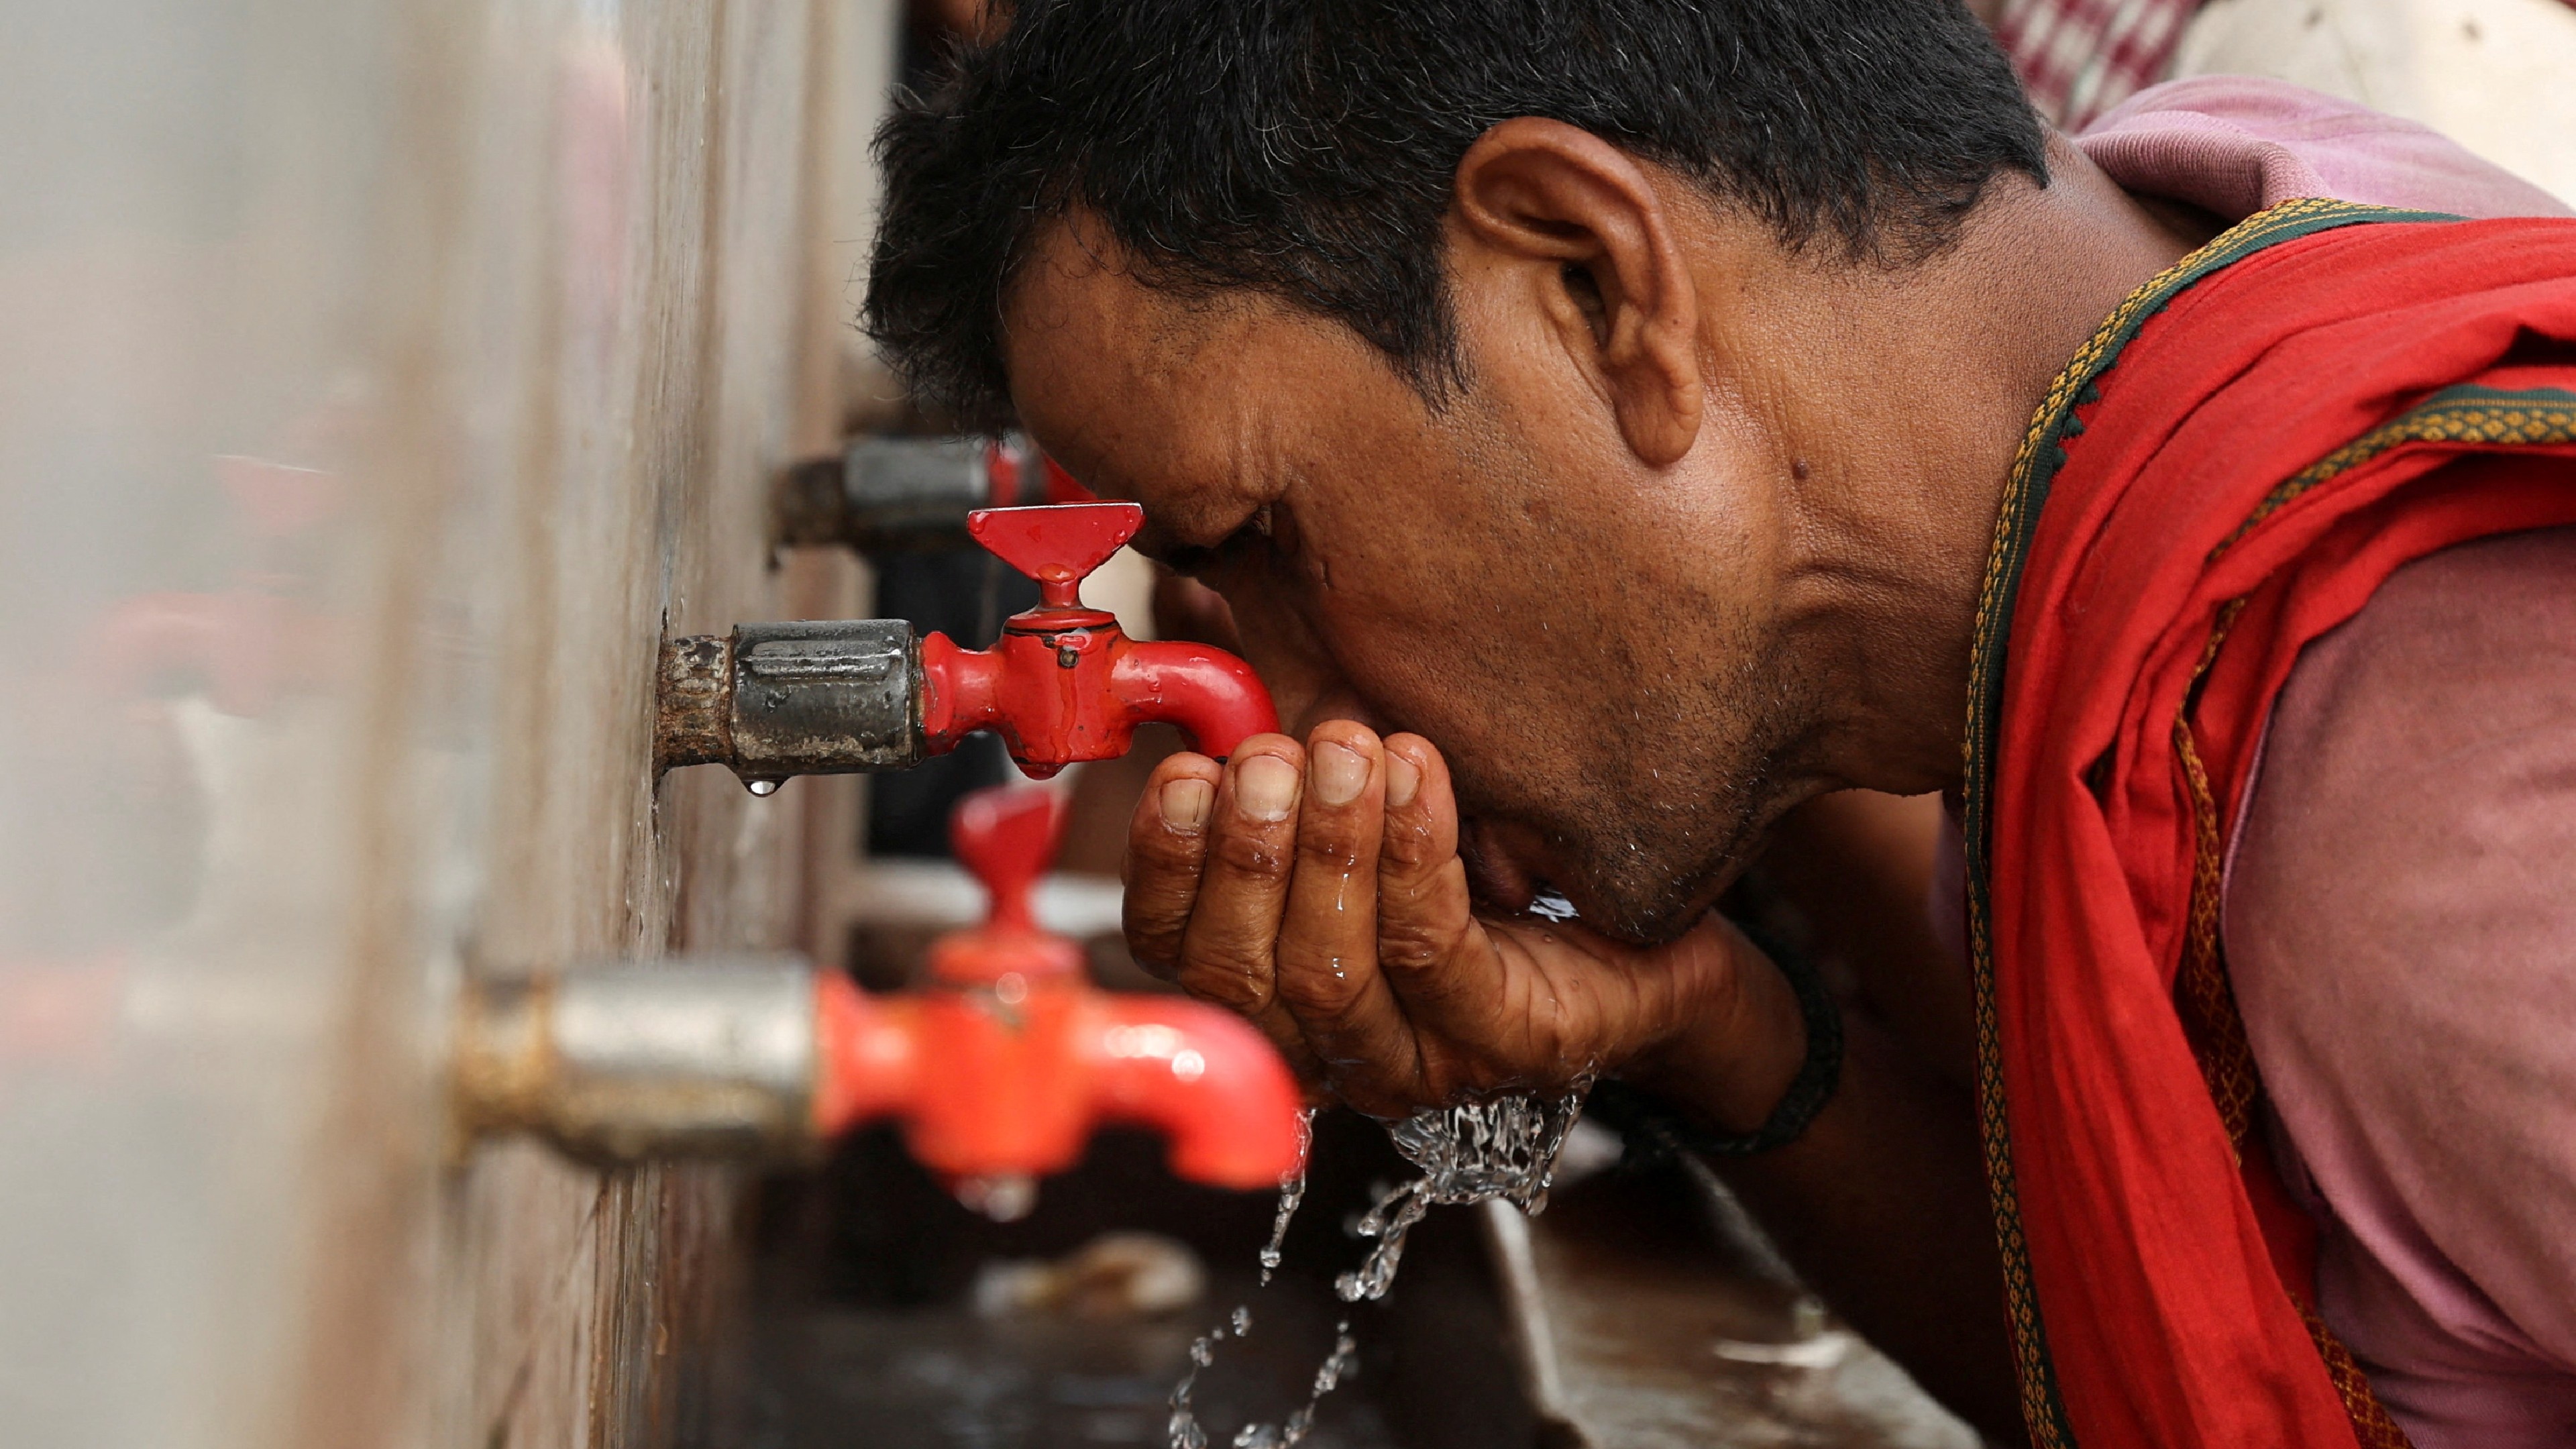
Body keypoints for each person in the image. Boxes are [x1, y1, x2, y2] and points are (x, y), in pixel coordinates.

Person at [860, 3, 2576, 1445]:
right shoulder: (2181, 302)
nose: (1293, 711)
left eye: (1268, 545)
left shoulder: (2430, 826)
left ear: (1596, 281)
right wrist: (1711, 1030)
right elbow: (2202, 1367)